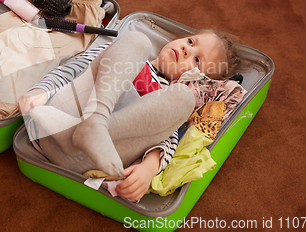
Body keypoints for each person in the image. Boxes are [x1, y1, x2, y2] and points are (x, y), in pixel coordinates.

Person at [18, 29, 241, 201]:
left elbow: (169, 138)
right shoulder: (126, 53)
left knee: (184, 99)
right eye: (191, 42)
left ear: (196, 77)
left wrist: (149, 168)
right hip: (57, 121)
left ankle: (89, 131)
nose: (186, 50)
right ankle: (93, 123)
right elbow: (74, 68)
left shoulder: (168, 94)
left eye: (196, 60)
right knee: (137, 40)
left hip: (91, 161)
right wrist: (42, 90)